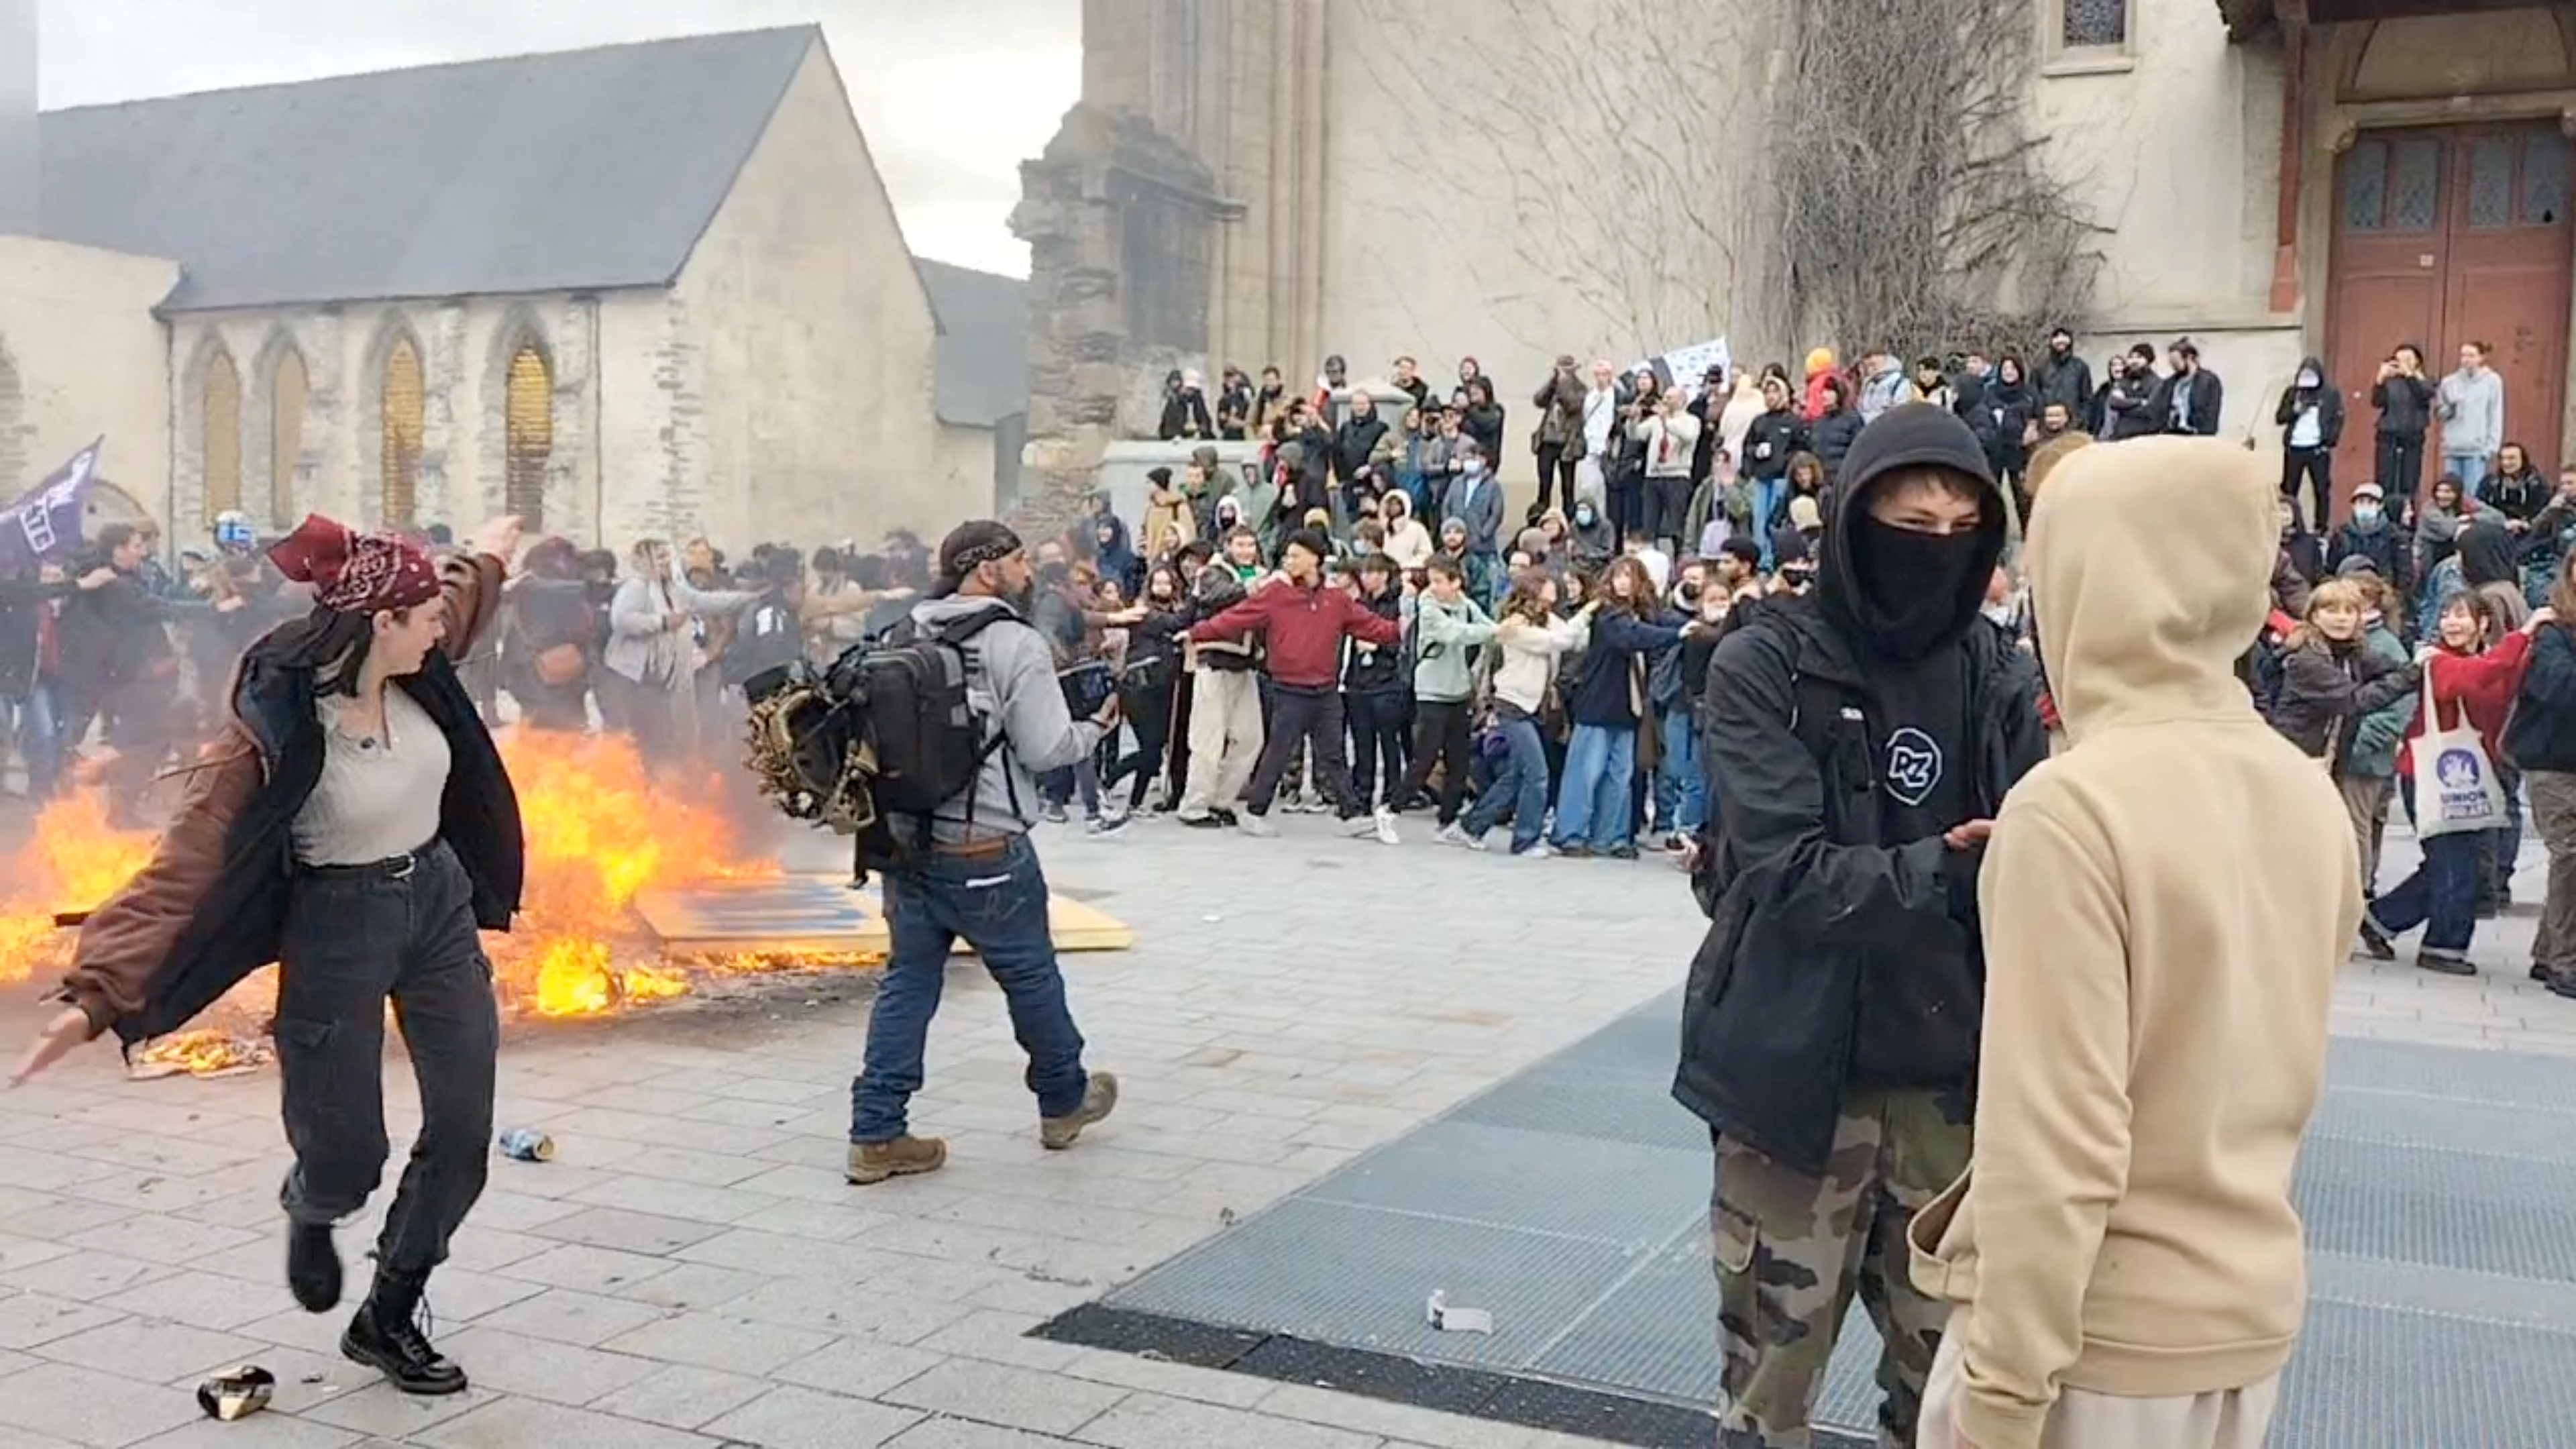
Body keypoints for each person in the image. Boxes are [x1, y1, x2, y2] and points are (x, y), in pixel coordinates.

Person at [1910, 436, 2356, 1449]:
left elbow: (2053, 1141)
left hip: (2094, 1347)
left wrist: (2002, 1396)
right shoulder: (2304, 794)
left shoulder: (2074, 808)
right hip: (2240, 1319)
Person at [17, 513, 526, 1397]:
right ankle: (316, 1204)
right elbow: (181, 865)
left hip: (437, 907)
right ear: (379, 623)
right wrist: (97, 994)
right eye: (422, 618)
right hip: (339, 923)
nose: (441, 627)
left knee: (465, 1132)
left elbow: (454, 599)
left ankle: (390, 1314)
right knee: (347, 1149)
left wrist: (485, 555)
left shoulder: (419, 669)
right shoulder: (278, 730)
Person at [1676, 403, 2043, 1449]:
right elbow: (1785, 871)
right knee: (1768, 1385)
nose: (1932, 545)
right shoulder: (1764, 665)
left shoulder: (1999, 672)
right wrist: (1951, 867)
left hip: (1954, 1095)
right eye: (1907, 522)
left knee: (1950, 1396)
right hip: (1793, 1086)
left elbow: (2041, 854)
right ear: (1852, 520)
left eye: (1957, 528)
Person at [847, 522, 1122, 1185]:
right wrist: (1095, 726)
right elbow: (1045, 748)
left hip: (906, 842)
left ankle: (876, 1132)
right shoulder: (1013, 642)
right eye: (1020, 559)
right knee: (1030, 977)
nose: (1030, 570)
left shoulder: (902, 632)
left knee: (907, 984)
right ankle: (1062, 1103)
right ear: (986, 570)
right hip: (988, 848)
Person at [2359, 589, 2548, 973]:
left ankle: (2381, 919)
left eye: (2461, 615)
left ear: (2483, 624)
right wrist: (2526, 632)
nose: (2451, 623)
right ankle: (2442, 947)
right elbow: (2475, 679)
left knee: (2452, 862)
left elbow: (2501, 678)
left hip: (2471, 777)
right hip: (2428, 775)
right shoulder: (2437, 661)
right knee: (2453, 863)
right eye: (2446, 615)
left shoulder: (2487, 658)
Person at [1187, 529, 1403, 842]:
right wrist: (1198, 632)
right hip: (1290, 688)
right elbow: (1237, 617)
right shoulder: (1276, 595)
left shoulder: (1336, 599)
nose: (1289, 561)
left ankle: (1352, 814)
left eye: (1295, 555)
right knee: (1279, 750)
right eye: (1287, 555)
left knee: (1333, 753)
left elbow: (1371, 626)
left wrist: (1402, 629)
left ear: (1315, 559)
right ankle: (1255, 811)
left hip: (1326, 689)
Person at [2506, 552, 2576, 1000]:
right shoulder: (2552, 631)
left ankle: (2547, 951)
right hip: (2551, 759)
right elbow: (2560, 688)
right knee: (2570, 854)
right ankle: (2565, 961)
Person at [2275, 354, 2344, 531]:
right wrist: (2295, 410)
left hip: (2317, 449)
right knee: (2290, 489)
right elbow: (2280, 418)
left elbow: (2338, 419)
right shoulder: (2293, 393)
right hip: (2295, 448)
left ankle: (2321, 527)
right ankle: (2289, 525)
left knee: (2321, 490)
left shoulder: (2330, 394)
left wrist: (2329, 441)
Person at [2436, 339, 2505, 500]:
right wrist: (2451, 407)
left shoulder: (2492, 381)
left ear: (2481, 358)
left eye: (2471, 355)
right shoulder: (2449, 382)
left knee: (2472, 494)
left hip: (2477, 447)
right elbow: (2440, 413)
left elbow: (2495, 413)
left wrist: (2492, 446)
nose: (2466, 359)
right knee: (2450, 493)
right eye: (2463, 355)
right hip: (2453, 445)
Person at [2149, 337, 2223, 437]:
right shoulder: (2169, 383)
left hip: (2197, 434)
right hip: (2172, 433)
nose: (2173, 367)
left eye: (2176, 362)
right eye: (2172, 363)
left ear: (2189, 358)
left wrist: (2206, 434)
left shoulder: (2209, 381)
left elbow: (2212, 412)